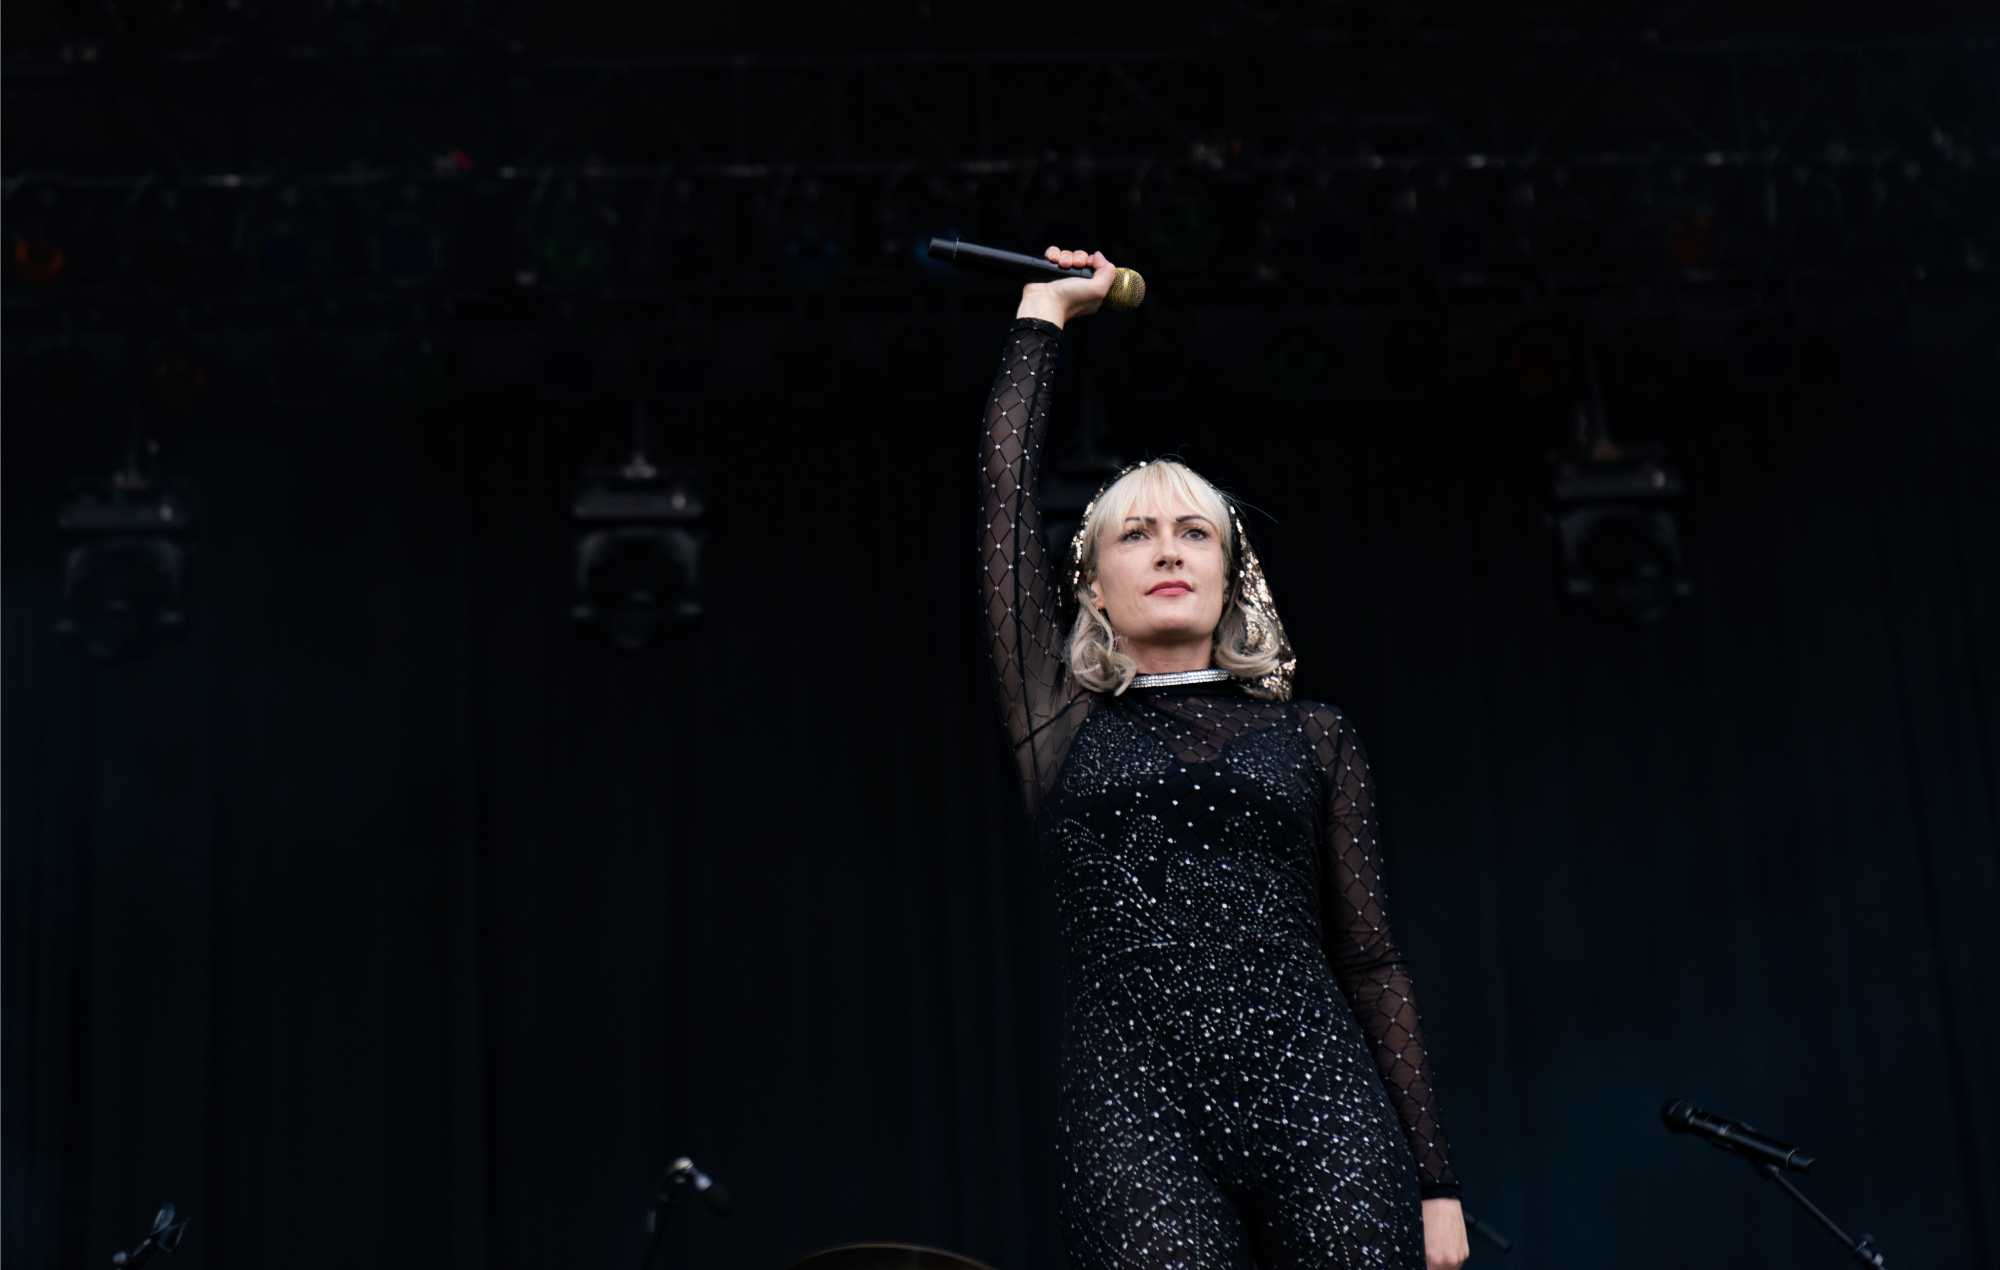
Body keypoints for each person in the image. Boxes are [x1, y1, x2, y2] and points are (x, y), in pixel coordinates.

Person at [977, 246, 1472, 1270]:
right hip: (1134, 1122)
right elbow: (1000, 504)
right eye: (1136, 535)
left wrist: (1435, 1182)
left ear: (1230, 575)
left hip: (1322, 1105)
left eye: (1193, 532)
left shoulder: (1313, 734)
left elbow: (1371, 961)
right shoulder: (1055, 725)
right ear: (1094, 587)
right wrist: (1040, 315)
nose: (1166, 549)